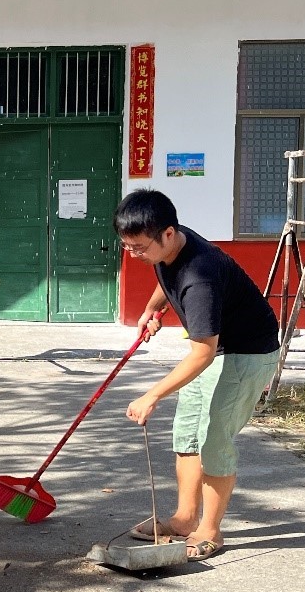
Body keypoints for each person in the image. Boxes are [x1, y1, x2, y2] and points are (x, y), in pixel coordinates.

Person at [115, 188, 279, 562]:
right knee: (187, 433)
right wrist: (152, 309)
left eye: (139, 247)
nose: (135, 254)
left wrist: (151, 394)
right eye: (128, 247)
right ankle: (184, 519)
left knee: (214, 439)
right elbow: (164, 274)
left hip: (246, 353)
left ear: (168, 234)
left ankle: (210, 529)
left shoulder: (200, 275)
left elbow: (203, 352)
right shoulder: (168, 242)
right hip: (214, 347)